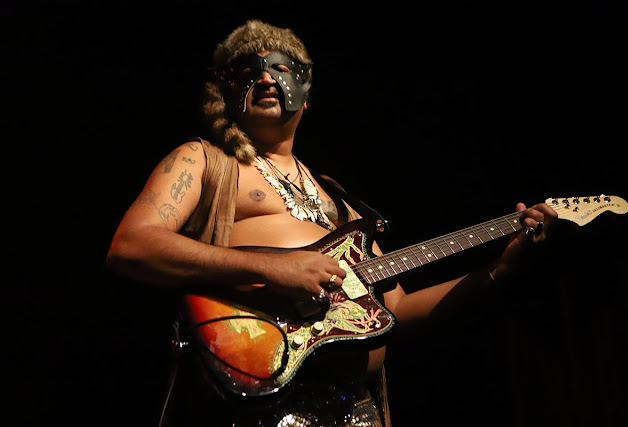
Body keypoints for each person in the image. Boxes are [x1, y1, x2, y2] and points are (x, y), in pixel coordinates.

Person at [105, 20, 558, 427]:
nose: (266, 78)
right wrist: (273, 267)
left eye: (281, 69)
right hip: (253, 403)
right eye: (249, 71)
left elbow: (397, 310)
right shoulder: (202, 160)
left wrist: (498, 271)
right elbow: (132, 245)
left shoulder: (342, 203)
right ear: (224, 94)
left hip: (354, 409)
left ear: (305, 93)